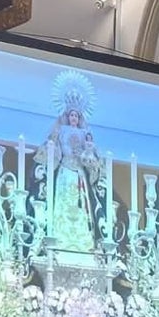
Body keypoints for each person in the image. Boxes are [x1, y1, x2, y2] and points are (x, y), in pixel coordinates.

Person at [34, 72, 106, 253]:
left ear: (80, 118)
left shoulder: (85, 133)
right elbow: (54, 149)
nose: (74, 118)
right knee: (63, 201)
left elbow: (92, 159)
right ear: (67, 116)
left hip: (79, 173)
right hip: (65, 171)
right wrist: (55, 147)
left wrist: (85, 153)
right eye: (71, 115)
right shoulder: (61, 130)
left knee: (81, 203)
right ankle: (60, 238)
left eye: (76, 116)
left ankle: (84, 240)